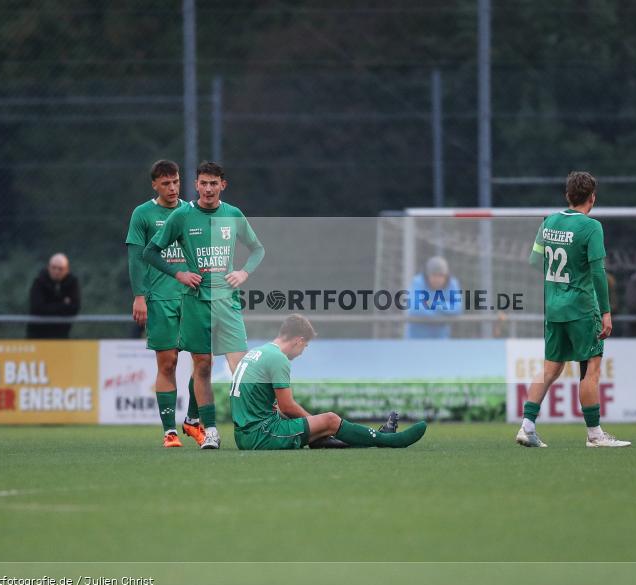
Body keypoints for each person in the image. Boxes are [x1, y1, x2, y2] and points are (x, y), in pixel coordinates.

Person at [144, 161, 265, 450]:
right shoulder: (183, 216)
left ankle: (255, 423)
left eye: (214, 183)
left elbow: (258, 249)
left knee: (240, 367)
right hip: (196, 303)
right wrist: (179, 274)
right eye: (203, 183)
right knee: (203, 366)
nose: (208, 189)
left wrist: (244, 272)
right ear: (196, 185)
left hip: (227, 302)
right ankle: (209, 430)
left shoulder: (233, 214)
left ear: (223, 185)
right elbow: (150, 252)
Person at [514, 171, 630, 448]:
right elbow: (598, 273)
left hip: (554, 309)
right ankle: (595, 435)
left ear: (567, 195)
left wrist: (558, 282)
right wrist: (606, 312)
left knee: (550, 370)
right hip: (581, 308)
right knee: (591, 369)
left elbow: (534, 261)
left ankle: (527, 427)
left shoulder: (549, 222)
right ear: (593, 198)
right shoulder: (591, 227)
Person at [230, 314, 427, 450]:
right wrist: (317, 423)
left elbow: (275, 408)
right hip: (261, 435)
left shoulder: (258, 351)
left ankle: (375, 436)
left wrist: (315, 427)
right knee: (330, 419)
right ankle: (389, 440)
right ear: (299, 340)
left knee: (323, 429)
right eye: (305, 346)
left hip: (244, 435)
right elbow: (287, 406)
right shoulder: (278, 359)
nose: (302, 352)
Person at [126, 159, 203, 448]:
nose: (172, 188)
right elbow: (136, 257)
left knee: (203, 362)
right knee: (168, 363)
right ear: (155, 185)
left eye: (176, 182)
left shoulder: (191, 211)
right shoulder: (142, 214)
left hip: (193, 298)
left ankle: (192, 420)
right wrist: (139, 295)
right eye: (166, 183)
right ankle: (170, 431)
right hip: (160, 299)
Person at [405, 256, 463, 338]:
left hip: (440, 338)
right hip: (417, 338)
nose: (437, 279)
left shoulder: (452, 283)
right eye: (434, 275)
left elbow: (457, 309)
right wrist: (441, 316)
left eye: (441, 275)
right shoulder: (418, 282)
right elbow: (414, 309)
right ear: (427, 275)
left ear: (446, 276)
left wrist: (435, 304)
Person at [27, 253, 81, 339]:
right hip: (37, 335)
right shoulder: (39, 282)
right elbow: (37, 308)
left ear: (67, 270)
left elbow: (74, 308)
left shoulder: (72, 282)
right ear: (48, 267)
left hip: (61, 335)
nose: (56, 271)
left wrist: (49, 306)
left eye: (60, 269)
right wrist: (63, 305)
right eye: (53, 267)